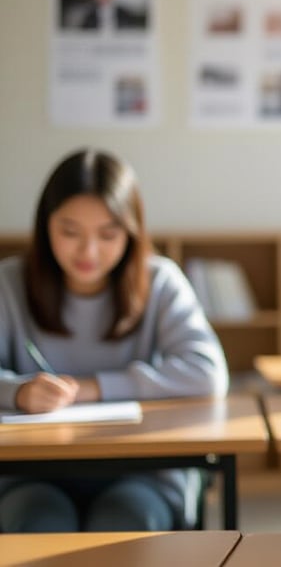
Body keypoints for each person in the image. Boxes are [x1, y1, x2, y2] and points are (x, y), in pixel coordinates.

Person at [0, 148, 229, 532]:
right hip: (31, 471)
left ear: (132, 231)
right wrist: (17, 393)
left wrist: (92, 388)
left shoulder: (159, 281)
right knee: (37, 523)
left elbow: (208, 373)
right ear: (45, 227)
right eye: (70, 232)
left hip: (143, 472)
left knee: (124, 526)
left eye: (108, 234)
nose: (88, 251)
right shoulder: (9, 282)